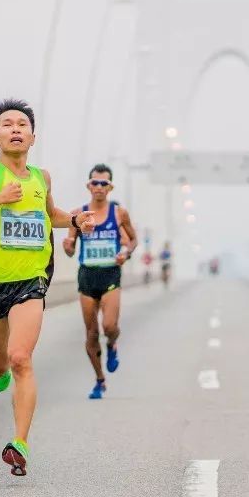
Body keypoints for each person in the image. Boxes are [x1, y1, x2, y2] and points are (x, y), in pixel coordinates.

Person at [0, 98, 95, 476]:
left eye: (22, 124)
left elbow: (52, 216)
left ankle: (20, 444)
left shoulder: (42, 178)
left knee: (20, 359)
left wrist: (77, 221)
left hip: (31, 280)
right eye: (7, 124)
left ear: (33, 136)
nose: (15, 129)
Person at [63, 164, 138, 399]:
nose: (99, 187)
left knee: (109, 326)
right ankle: (99, 380)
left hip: (110, 275)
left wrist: (126, 254)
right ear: (88, 185)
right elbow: (70, 246)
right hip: (87, 276)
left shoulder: (119, 214)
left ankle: (112, 344)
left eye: (104, 184)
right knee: (91, 333)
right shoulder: (79, 213)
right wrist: (67, 247)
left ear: (110, 187)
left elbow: (133, 240)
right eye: (95, 183)